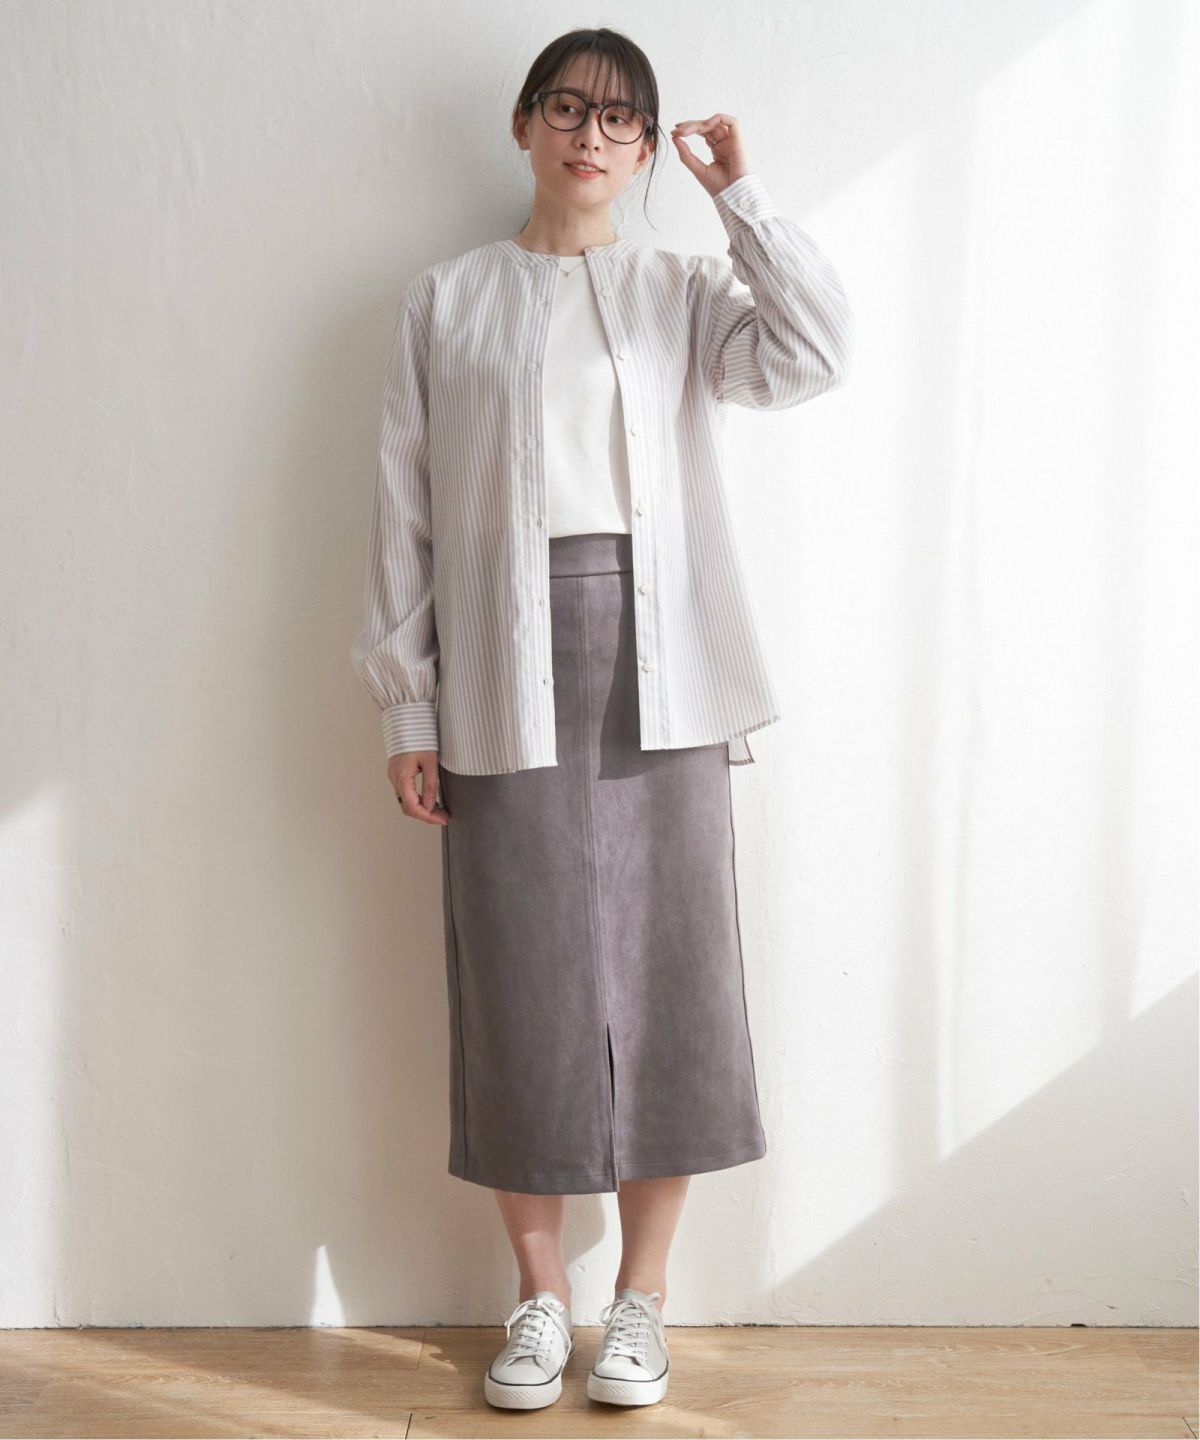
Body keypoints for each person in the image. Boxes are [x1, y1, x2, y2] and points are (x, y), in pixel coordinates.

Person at [351, 26, 853, 1413]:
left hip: (664, 660)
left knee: (671, 968)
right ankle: (538, 1299)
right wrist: (408, 704)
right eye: (568, 108)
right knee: (517, 971)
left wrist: (740, 197)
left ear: (644, 150)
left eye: (621, 119)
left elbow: (816, 352)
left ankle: (642, 1298)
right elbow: (402, 514)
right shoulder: (447, 300)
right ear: (525, 125)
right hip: (498, 662)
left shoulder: (682, 290)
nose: (591, 135)